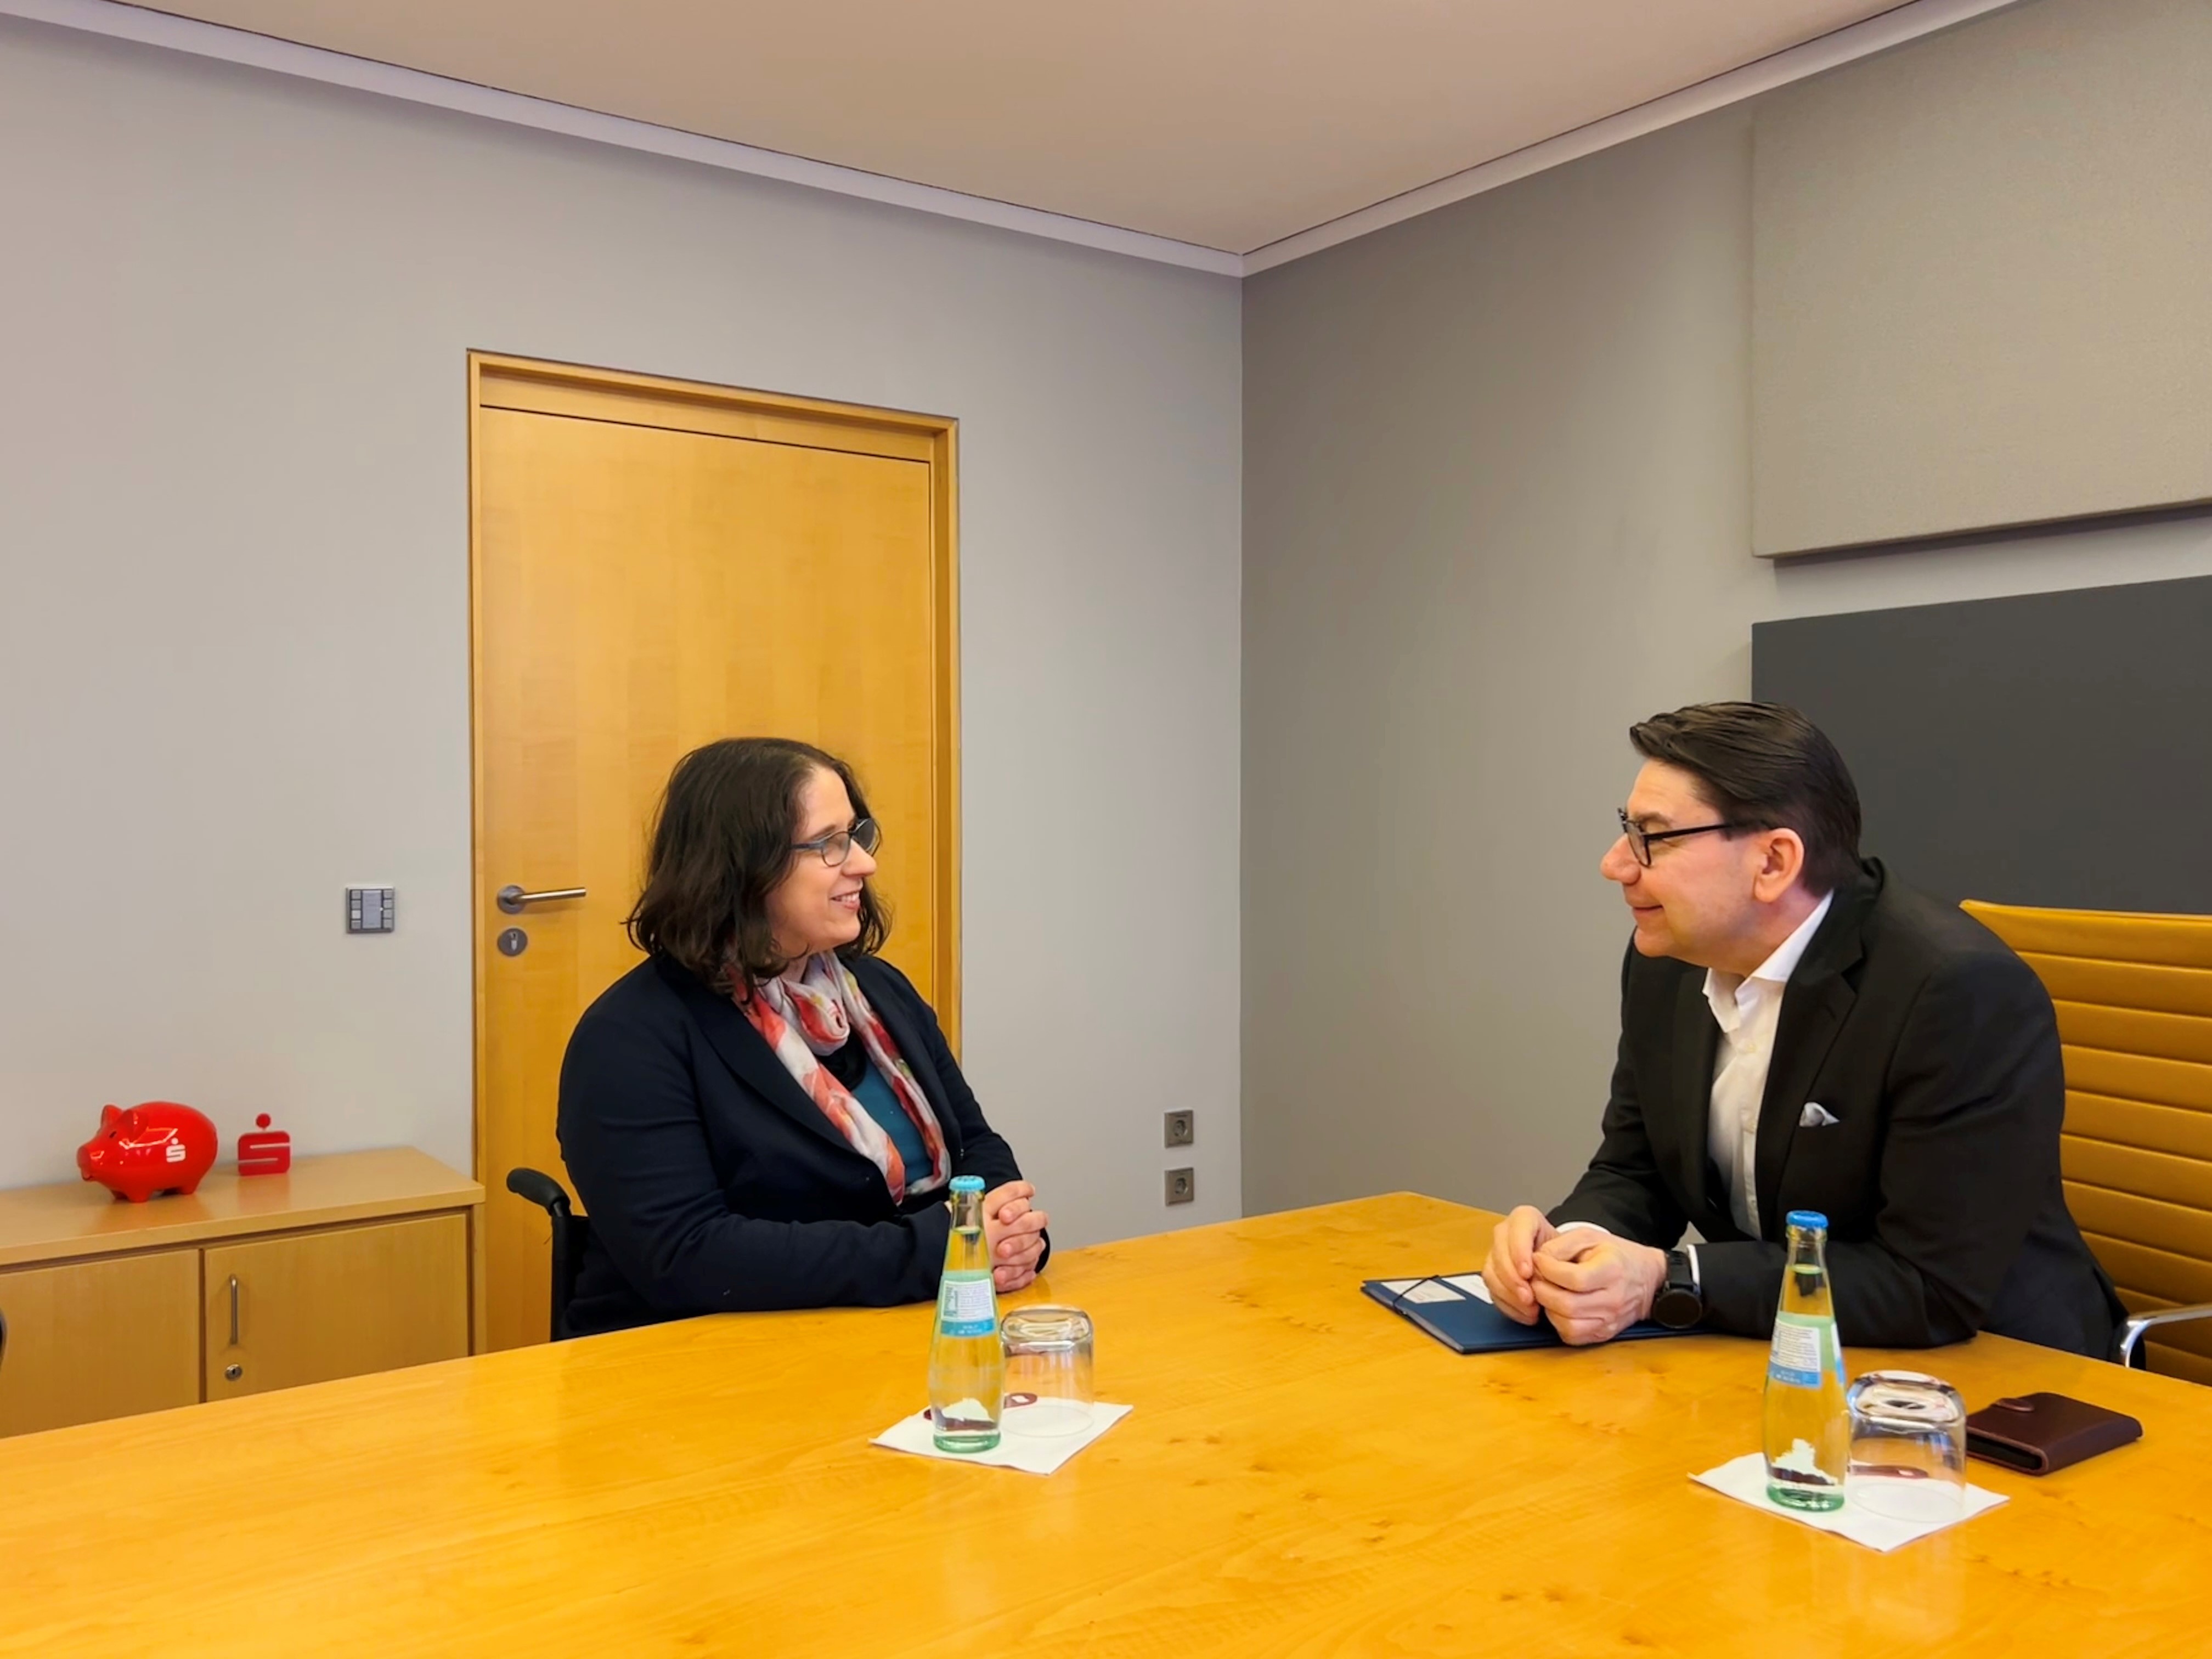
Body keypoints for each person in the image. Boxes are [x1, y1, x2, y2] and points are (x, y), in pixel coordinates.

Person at [1481, 702, 2121, 1356]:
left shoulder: (1956, 991)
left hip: (1996, 1373)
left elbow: (1928, 1287)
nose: (1616, 863)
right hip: (1782, 1347)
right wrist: (1566, 1252)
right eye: (1627, 828)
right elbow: (1636, 1167)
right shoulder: (1668, 960)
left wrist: (1665, 1279)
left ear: (1774, 863)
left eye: (1654, 835)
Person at [558, 737, 1047, 1334]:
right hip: (700, 1365)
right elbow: (686, 1254)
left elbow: (975, 1146)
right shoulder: (630, 1038)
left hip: (897, 1328)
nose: (864, 864)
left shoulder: (878, 990)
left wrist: (1008, 1232)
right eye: (829, 845)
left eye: (857, 836)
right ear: (742, 866)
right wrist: (943, 1251)